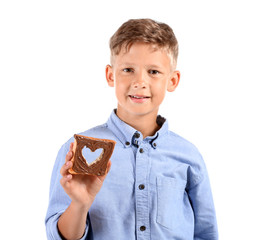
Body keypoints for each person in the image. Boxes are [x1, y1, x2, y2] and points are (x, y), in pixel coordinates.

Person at [45, 18, 218, 240]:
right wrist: (80, 203)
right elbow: (59, 236)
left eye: (153, 71)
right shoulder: (79, 149)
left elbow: (205, 233)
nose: (139, 82)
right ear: (110, 75)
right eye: (128, 69)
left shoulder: (188, 155)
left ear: (172, 80)